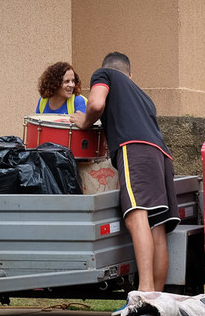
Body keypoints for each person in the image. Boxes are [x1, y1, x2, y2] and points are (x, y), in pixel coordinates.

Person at [71, 52, 179, 293]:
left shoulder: (104, 74)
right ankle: (157, 297)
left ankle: (144, 291)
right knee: (157, 225)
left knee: (135, 215)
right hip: (162, 156)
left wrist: (84, 122)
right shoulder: (144, 97)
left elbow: (96, 104)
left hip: (136, 150)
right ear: (130, 75)